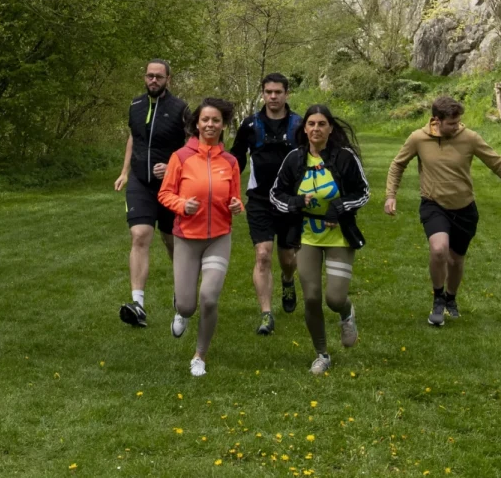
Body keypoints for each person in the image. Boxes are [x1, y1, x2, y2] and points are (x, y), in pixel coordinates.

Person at [384, 94, 501, 327]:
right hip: (433, 204)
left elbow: (498, 163)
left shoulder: (470, 138)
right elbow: (397, 165)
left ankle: (451, 298)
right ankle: (438, 299)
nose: (456, 127)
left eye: (458, 122)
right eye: (451, 123)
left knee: (455, 260)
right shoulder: (418, 139)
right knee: (439, 249)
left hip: (464, 208)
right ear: (436, 120)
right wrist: (390, 195)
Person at [270, 104, 369, 375]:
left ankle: (346, 313)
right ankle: (322, 354)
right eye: (311, 124)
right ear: (305, 129)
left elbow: (363, 193)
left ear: (330, 128)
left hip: (339, 237)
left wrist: (338, 207)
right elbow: (276, 194)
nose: (316, 128)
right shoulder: (294, 159)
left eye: (321, 124)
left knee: (334, 298)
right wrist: (297, 202)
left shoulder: (345, 158)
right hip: (307, 235)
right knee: (312, 298)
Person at [158, 98, 243, 377]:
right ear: (197, 123)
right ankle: (180, 309)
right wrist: (183, 206)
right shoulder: (180, 157)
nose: (210, 124)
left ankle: (199, 356)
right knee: (188, 304)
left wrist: (236, 206)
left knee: (209, 297)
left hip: (218, 237)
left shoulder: (230, 162)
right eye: (205, 119)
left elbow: (235, 199)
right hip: (186, 238)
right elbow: (165, 194)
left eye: (215, 120)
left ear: (223, 125)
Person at [114, 59, 189, 328]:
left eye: (159, 76)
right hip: (139, 181)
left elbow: (192, 145)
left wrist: (172, 167)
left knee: (171, 240)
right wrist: (124, 171)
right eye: (149, 76)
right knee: (139, 235)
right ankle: (138, 304)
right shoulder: (135, 105)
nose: (153, 80)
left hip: (171, 186)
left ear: (168, 78)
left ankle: (182, 293)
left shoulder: (180, 109)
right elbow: (134, 138)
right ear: (144, 78)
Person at [231, 73, 301, 336]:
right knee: (262, 254)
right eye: (269, 92)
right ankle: (266, 314)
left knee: (287, 256)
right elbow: (235, 161)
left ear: (286, 94)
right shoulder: (250, 125)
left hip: (290, 201)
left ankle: (287, 280)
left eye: (278, 92)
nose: (273, 97)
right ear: (262, 93)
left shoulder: (299, 125)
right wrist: (227, 190)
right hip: (259, 200)